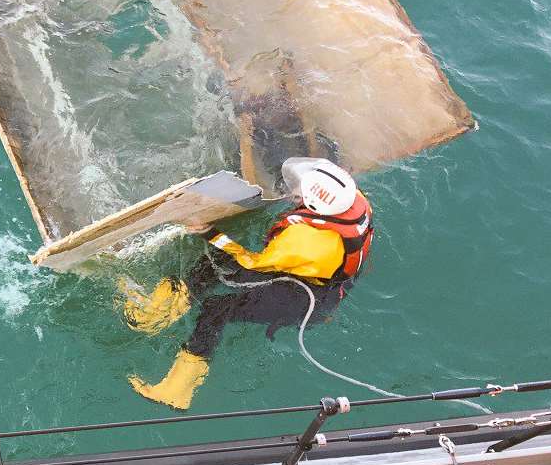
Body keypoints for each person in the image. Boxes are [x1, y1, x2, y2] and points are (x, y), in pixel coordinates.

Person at [122, 157, 374, 410]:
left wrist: (209, 232)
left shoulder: (306, 240)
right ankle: (157, 315)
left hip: (306, 297)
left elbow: (253, 263)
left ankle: (177, 389)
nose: (296, 191)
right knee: (211, 265)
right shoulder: (353, 201)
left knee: (216, 309)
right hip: (326, 278)